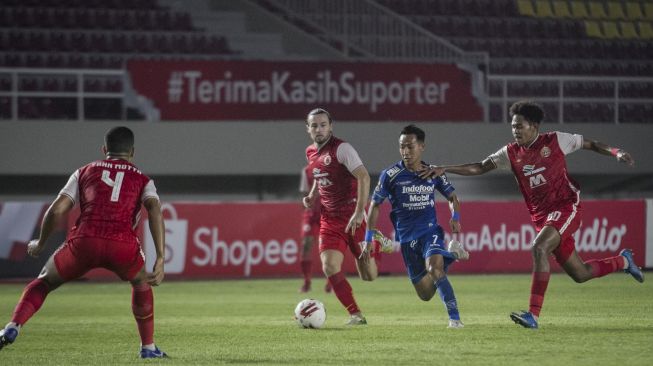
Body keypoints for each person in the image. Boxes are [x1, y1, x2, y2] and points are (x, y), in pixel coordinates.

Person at [420, 100, 643, 329]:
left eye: (520, 126)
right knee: (580, 273)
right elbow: (480, 166)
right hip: (542, 217)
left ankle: (533, 316)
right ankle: (623, 260)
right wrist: (446, 168)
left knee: (539, 247)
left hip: (566, 206)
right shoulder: (510, 152)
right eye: (513, 126)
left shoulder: (556, 140)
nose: (515, 131)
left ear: (534, 126)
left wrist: (616, 151)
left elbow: (592, 144)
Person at [0, 127, 167, 357]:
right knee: (141, 283)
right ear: (133, 152)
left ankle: (12, 326)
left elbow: (58, 209)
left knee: (44, 282)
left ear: (104, 149)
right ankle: (148, 348)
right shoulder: (142, 179)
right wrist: (160, 256)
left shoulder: (84, 171)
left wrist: (40, 243)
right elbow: (155, 210)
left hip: (84, 241)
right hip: (122, 245)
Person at [365, 124, 470, 328]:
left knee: (435, 269)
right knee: (425, 294)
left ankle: (455, 319)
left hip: (430, 231)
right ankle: (452, 256)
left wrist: (455, 216)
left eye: (410, 146)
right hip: (406, 239)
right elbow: (375, 205)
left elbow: (452, 197)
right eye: (402, 147)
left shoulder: (433, 172)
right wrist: (368, 238)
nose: (405, 151)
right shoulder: (390, 175)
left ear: (421, 146)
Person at [303, 108, 391, 325]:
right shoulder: (310, 152)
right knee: (329, 265)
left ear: (331, 126)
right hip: (330, 219)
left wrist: (360, 212)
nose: (319, 129)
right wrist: (313, 195)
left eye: (323, 124)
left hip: (354, 215)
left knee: (368, 275)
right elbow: (318, 174)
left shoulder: (342, 149)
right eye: (314, 125)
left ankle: (377, 242)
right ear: (308, 129)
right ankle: (355, 314)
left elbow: (363, 177)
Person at [298, 164, 331, 293]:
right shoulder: (306, 171)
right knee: (306, 245)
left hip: (327, 213)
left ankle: (330, 282)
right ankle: (306, 282)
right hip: (311, 214)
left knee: (329, 249)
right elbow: (304, 193)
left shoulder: (331, 167)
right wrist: (307, 206)